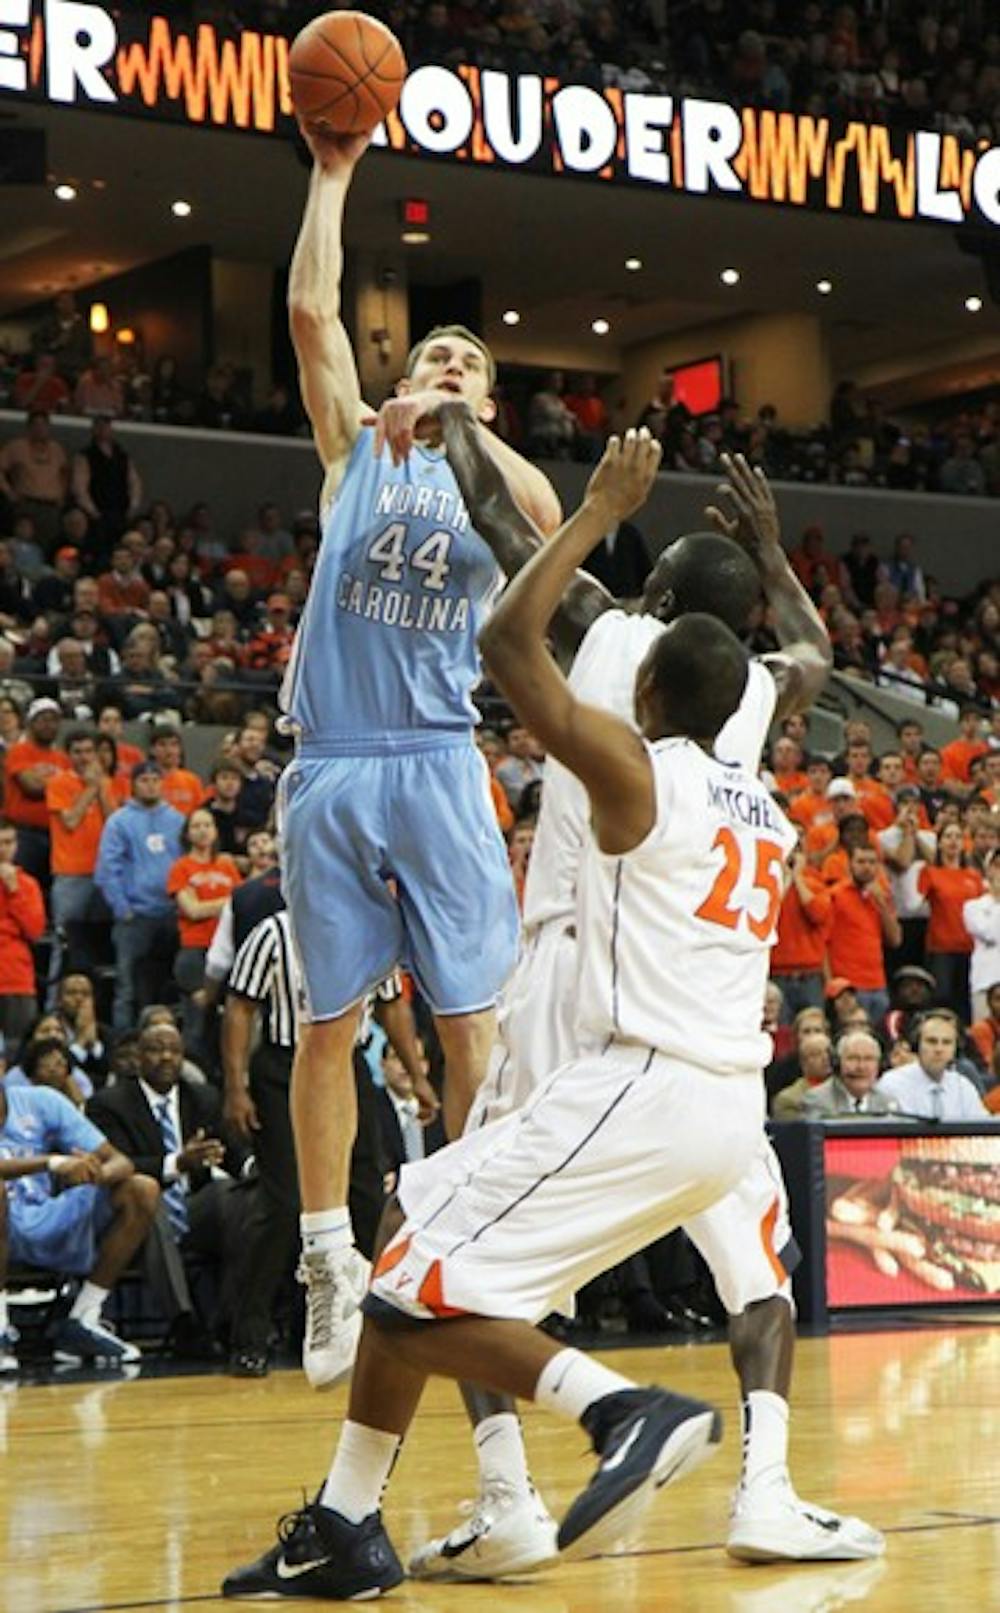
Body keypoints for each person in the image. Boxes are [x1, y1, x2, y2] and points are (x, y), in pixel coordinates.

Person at [220, 432, 808, 1602]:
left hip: (602, 1033)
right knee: (429, 1240)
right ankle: (346, 1521)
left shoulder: (633, 736)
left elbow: (503, 602)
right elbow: (811, 645)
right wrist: (778, 553)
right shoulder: (762, 733)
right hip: (724, 1090)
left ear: (652, 653)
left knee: (419, 1279)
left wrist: (519, 471)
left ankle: (603, 1423)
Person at [406, 423, 878, 1569]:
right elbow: (812, 641)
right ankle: (765, 1486)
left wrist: (450, 421)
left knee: (449, 1239)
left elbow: (499, 527)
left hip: (580, 972)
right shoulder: (755, 698)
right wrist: (772, 554)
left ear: (653, 594)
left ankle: (509, 1490)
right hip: (701, 1017)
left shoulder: (611, 631)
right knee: (754, 1265)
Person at [278, 118, 561, 1387]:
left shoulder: (493, 476)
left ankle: (461, 1233)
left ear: (487, 397)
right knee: (328, 1024)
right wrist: (333, 175)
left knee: (471, 1031)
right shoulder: (354, 448)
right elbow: (306, 312)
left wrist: (452, 422)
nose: (443, 364)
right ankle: (330, 1252)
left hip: (442, 757)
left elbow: (553, 527)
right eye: (433, 352)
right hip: (335, 755)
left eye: (466, 362)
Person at [88, 1020, 248, 1347]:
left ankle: (229, 1319)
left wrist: (250, 1167)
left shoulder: (203, 1097)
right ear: (138, 1057)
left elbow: (231, 1150)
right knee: (149, 1200)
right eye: (156, 1050)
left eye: (174, 1051)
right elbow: (118, 1165)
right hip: (136, 1218)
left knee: (231, 1196)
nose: (166, 1057)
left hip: (193, 1208)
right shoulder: (109, 1104)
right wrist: (177, 1163)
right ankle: (183, 1322)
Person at [0, 1077, 158, 1369]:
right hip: (6, 1224)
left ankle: (83, 1317)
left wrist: (93, 1172)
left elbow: (121, 1161)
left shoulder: (41, 1102)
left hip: (45, 1214)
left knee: (141, 1189)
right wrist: (52, 1163)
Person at [94, 761, 183, 1030]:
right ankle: (125, 1046)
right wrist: (123, 909)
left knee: (173, 985)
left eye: (155, 779)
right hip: (135, 917)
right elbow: (107, 869)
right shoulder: (119, 822)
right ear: (133, 784)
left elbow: (187, 862)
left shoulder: (177, 820)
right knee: (128, 989)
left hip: (172, 914)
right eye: (144, 780)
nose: (150, 785)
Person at [45, 726, 117, 991]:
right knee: (63, 945)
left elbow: (114, 823)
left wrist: (100, 789)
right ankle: (53, 1007)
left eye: (89, 751)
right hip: (70, 874)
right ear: (68, 755)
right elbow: (71, 820)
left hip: (103, 873)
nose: (84, 757)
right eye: (77, 752)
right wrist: (91, 788)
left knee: (98, 946)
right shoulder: (59, 782)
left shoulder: (105, 782)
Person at [167, 807, 242, 1053]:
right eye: (196, 826)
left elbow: (240, 903)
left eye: (207, 825)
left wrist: (212, 904)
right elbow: (193, 911)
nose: (202, 831)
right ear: (187, 834)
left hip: (228, 949)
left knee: (229, 1022)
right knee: (195, 1023)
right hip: (194, 951)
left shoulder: (227, 865)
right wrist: (226, 902)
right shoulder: (181, 868)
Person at [826, 846, 901, 1027]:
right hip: (848, 985)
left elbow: (895, 939)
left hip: (878, 983)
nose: (867, 867)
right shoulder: (835, 895)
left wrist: (881, 903)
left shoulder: (882, 896)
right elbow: (823, 942)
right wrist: (830, 983)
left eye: (872, 862)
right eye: (861, 862)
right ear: (849, 865)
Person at [917, 822, 982, 1022]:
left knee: (965, 1001)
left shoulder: (974, 877)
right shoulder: (929, 873)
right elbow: (916, 905)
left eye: (957, 837)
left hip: (969, 948)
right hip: (941, 948)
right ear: (939, 843)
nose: (953, 841)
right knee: (941, 998)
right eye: (948, 836)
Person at [3, 696, 70, 884]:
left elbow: (67, 793)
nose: (49, 725)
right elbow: (31, 787)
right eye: (43, 719)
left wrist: (46, 782)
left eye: (54, 720)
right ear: (31, 723)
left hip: (55, 834)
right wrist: (59, 783)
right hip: (24, 835)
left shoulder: (63, 758)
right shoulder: (19, 751)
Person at [878, 1010, 991, 1121]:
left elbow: (982, 1130)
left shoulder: (964, 1087)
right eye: (931, 1041)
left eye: (946, 1042)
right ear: (917, 1046)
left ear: (955, 1050)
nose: (939, 1049)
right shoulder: (891, 1083)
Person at [801, 1031, 897, 1118]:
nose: (861, 1067)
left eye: (869, 1059)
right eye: (853, 1058)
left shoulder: (888, 1104)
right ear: (837, 1064)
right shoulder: (817, 1100)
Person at [962, 851, 1000, 1023]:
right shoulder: (973, 907)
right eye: (997, 866)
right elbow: (990, 933)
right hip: (985, 982)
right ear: (989, 870)